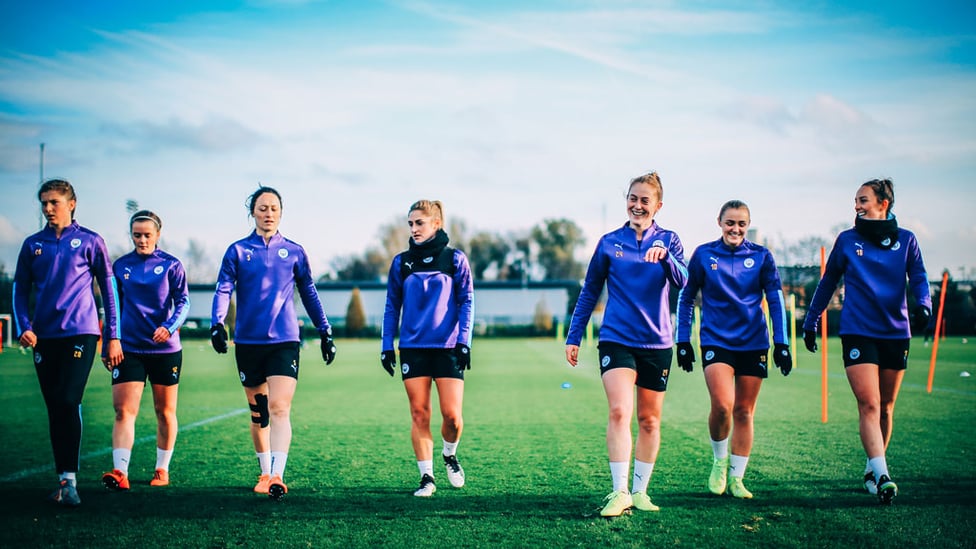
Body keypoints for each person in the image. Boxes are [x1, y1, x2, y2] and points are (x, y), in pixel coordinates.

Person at [565, 172, 688, 517]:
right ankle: (619, 491)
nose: (637, 205)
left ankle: (640, 491)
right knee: (620, 411)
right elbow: (590, 290)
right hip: (617, 339)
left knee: (649, 419)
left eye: (644, 200)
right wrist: (574, 336)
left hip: (657, 342)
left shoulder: (669, 240)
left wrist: (665, 256)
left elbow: (685, 280)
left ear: (657, 205)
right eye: (632, 198)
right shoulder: (608, 242)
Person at [802, 178, 930, 505]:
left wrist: (924, 304)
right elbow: (829, 280)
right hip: (858, 331)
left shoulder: (907, 240)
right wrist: (811, 320)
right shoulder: (847, 241)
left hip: (896, 333)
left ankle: (872, 469)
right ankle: (883, 473)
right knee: (869, 404)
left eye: (863, 200)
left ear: (883, 203)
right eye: (856, 200)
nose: (857, 206)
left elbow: (918, 275)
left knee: (886, 407)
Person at [210, 186, 337, 500]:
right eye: (263, 208)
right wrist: (217, 323)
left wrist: (325, 330)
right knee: (260, 413)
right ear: (253, 212)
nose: (268, 214)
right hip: (248, 342)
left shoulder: (294, 251)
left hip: (284, 340)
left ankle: (278, 476)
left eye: (274, 209)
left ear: (281, 213)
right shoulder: (237, 251)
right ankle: (264, 471)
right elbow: (223, 288)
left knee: (280, 407)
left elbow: (309, 292)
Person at [13, 178, 123, 506]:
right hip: (44, 337)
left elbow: (109, 288)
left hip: (82, 332)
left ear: (71, 203)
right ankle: (65, 480)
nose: (48, 208)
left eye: (54, 202)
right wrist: (25, 325)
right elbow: (20, 288)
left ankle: (70, 482)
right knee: (55, 406)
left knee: (67, 397)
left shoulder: (90, 241)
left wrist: (113, 335)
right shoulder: (33, 245)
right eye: (44, 203)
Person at [675, 200, 792, 500]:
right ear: (719, 222)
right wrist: (683, 340)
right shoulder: (703, 255)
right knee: (723, 405)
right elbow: (687, 297)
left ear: (747, 225)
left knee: (744, 411)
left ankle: (737, 478)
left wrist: (782, 343)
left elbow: (776, 299)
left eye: (741, 224)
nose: (735, 229)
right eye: (730, 222)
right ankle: (719, 460)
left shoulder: (762, 256)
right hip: (716, 341)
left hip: (754, 342)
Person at [381, 200, 474, 497]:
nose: (413, 229)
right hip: (412, 348)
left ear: (436, 224)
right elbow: (391, 306)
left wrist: (464, 341)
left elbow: (467, 301)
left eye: (419, 222)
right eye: (410, 223)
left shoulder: (455, 259)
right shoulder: (401, 263)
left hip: (448, 348)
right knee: (420, 414)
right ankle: (427, 477)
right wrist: (387, 345)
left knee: (452, 417)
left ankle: (449, 454)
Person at [101, 210, 190, 491]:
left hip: (165, 351)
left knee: (164, 411)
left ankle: (161, 469)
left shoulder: (171, 265)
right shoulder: (120, 266)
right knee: (123, 410)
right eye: (136, 234)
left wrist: (170, 326)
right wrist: (109, 341)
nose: (141, 239)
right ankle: (120, 471)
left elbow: (184, 303)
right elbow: (113, 307)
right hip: (129, 349)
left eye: (147, 235)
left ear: (157, 235)